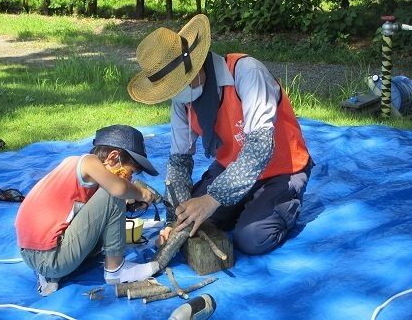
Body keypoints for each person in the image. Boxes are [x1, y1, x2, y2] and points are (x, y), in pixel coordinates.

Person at [127, 14, 313, 256]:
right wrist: (175, 220)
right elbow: (180, 161)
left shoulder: (246, 72)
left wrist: (213, 199)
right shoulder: (183, 100)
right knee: (194, 220)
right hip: (230, 169)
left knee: (251, 238)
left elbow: (259, 148)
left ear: (193, 68)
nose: (174, 94)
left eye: (175, 85)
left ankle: (282, 202)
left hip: (281, 170)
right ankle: (244, 202)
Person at [15, 124, 160, 296]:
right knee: (114, 193)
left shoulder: (72, 165)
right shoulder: (88, 162)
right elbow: (118, 190)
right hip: (51, 258)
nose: (129, 179)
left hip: (32, 254)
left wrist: (125, 207)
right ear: (113, 157)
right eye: (129, 173)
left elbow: (86, 216)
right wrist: (141, 193)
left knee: (112, 200)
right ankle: (116, 270)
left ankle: (49, 275)